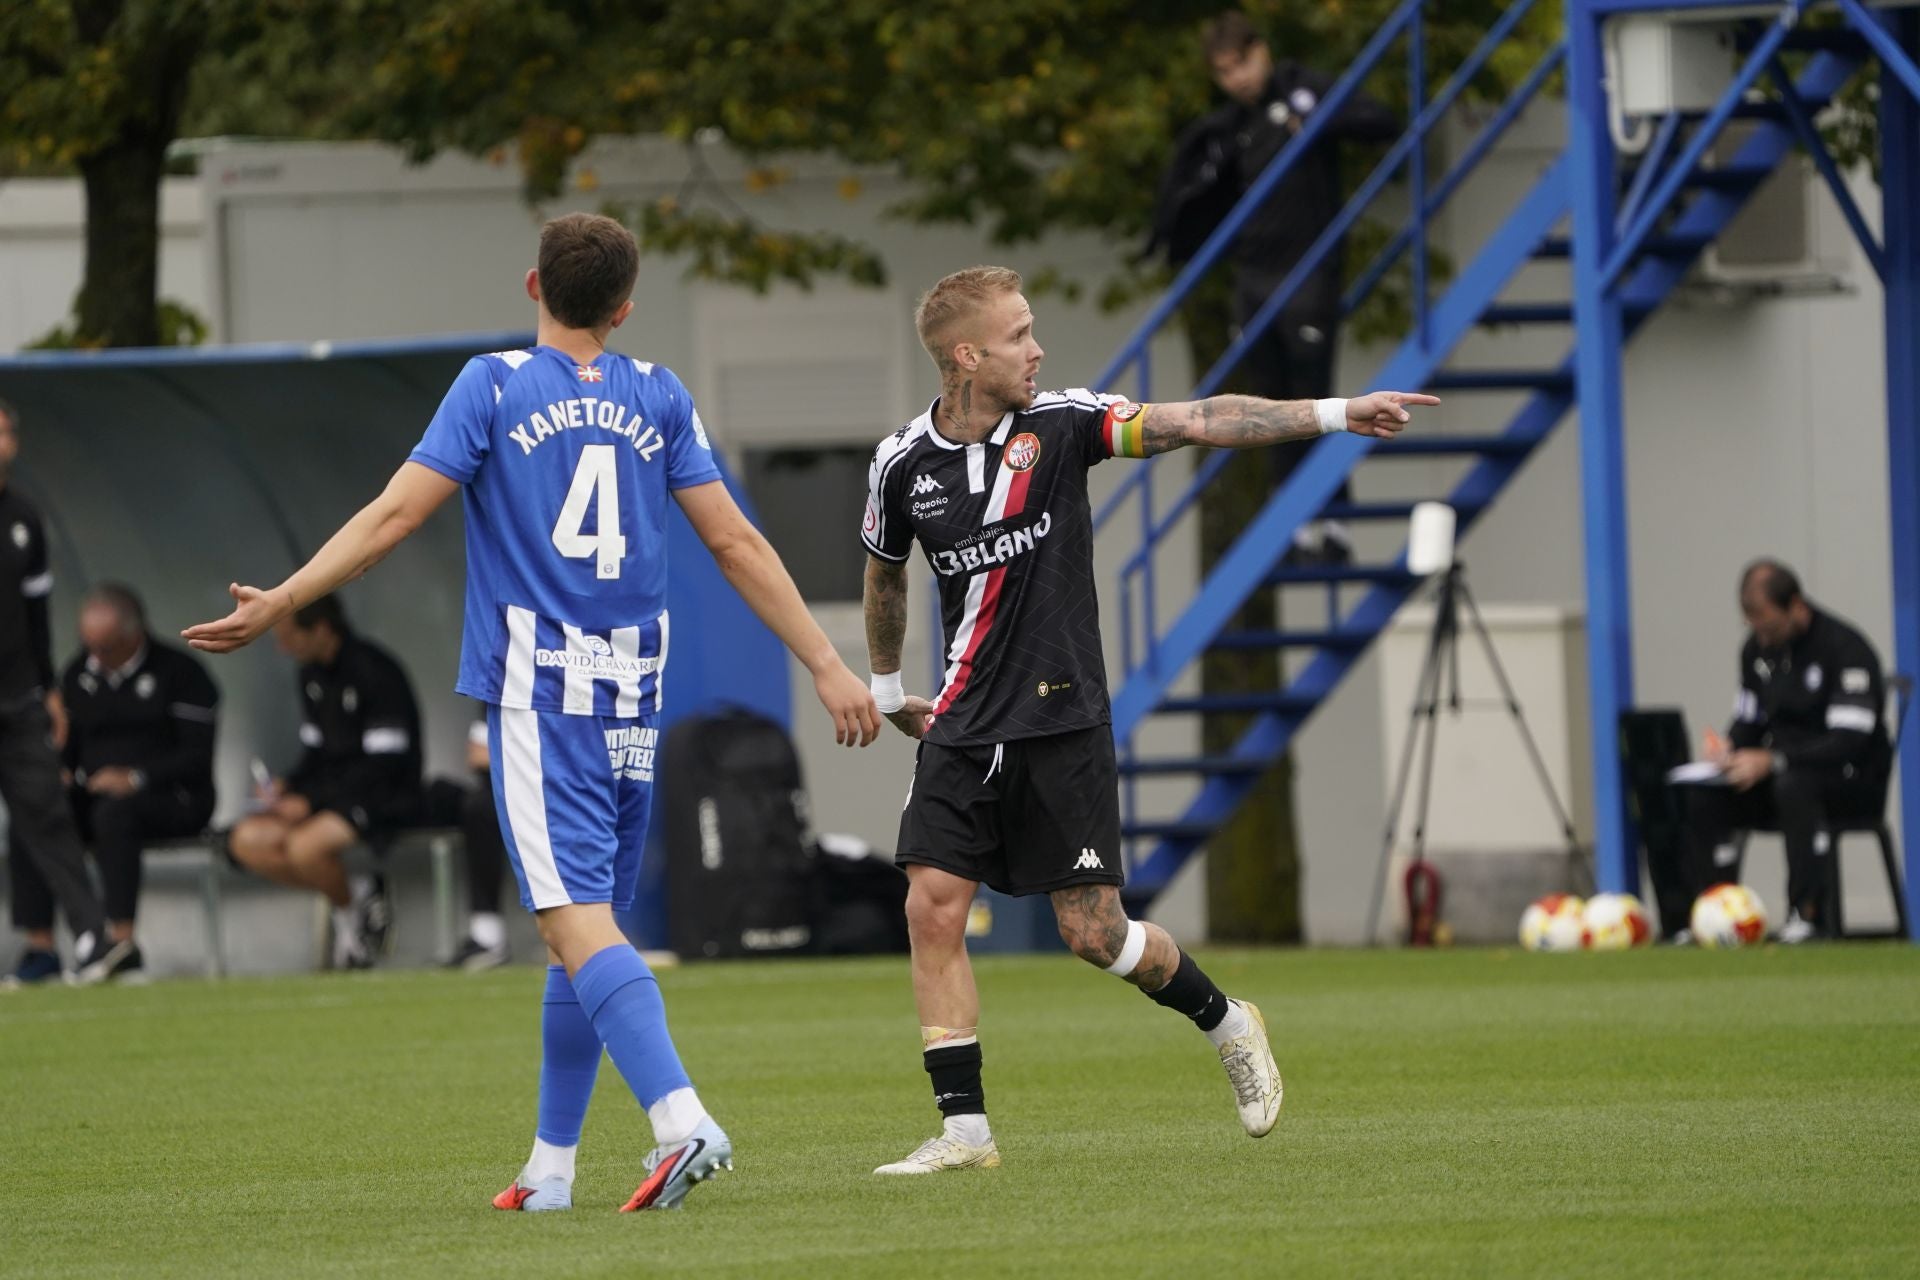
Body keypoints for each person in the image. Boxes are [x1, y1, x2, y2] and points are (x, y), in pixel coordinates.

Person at [185, 213, 878, 1213]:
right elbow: (735, 543)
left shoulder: (495, 384)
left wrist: (286, 597)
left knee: (574, 920)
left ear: (531, 285)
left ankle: (681, 1119)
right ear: (626, 307)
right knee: (578, 928)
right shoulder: (661, 395)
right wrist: (826, 660)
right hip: (632, 698)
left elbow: (394, 515)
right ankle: (552, 1167)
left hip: (542, 698)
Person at [860, 265, 1437, 1173]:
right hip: (965, 720)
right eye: (1019, 335)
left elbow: (1197, 419)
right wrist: (889, 689)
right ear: (967, 355)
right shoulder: (901, 463)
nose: (1038, 347)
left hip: (1061, 720)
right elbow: (886, 571)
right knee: (931, 907)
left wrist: (1333, 413)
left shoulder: (1062, 425)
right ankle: (964, 1132)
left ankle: (1227, 1021)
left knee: (1093, 936)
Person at [1148, 12, 1397, 563]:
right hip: (1253, 275)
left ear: (1261, 51)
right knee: (1271, 402)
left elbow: (1383, 121)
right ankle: (1297, 523)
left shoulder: (1304, 88)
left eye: (1241, 64)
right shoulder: (1230, 126)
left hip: (1309, 267)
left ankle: (1335, 522)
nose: (1236, 79)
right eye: (1223, 72)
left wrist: (1319, 122)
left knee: (1320, 395)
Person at [8, 583, 218, 982]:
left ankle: (119, 946)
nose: (95, 657)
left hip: (172, 797)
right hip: (96, 794)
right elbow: (65, 747)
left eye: (104, 647)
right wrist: (59, 773)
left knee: (115, 814)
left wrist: (137, 778)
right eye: (89, 646)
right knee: (33, 810)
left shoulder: (181, 674)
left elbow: (196, 756)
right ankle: (41, 950)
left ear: (133, 635)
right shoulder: (79, 674)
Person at [1682, 561, 1889, 943]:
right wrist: (1728, 748)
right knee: (1707, 794)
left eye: (1770, 626)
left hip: (1850, 781)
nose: (1762, 637)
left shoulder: (1845, 649)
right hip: (1782, 777)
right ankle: (1713, 913)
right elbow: (1750, 719)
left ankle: (1807, 915)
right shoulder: (1756, 652)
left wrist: (1775, 760)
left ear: (1795, 606)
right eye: (1753, 626)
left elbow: (1849, 740)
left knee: (1794, 785)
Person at [224, 595, 422, 970]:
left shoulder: (375, 672)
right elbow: (315, 753)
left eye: (287, 636)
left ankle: (350, 935)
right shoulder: (310, 674)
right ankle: (358, 892)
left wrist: (310, 802)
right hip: (333, 798)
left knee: (304, 849)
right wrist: (287, 786)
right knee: (245, 840)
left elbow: (384, 766)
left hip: (385, 796)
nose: (282, 648)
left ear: (320, 630)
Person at [0, 398, 123, 986]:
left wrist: (48, 689)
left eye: (4, 431)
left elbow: (37, 616)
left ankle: (94, 943)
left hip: (19, 701)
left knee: (47, 817)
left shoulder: (25, 518)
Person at [447, 712, 513, 971]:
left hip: (555, 788)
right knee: (476, 806)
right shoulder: (496, 682)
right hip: (509, 790)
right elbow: (478, 756)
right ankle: (488, 935)